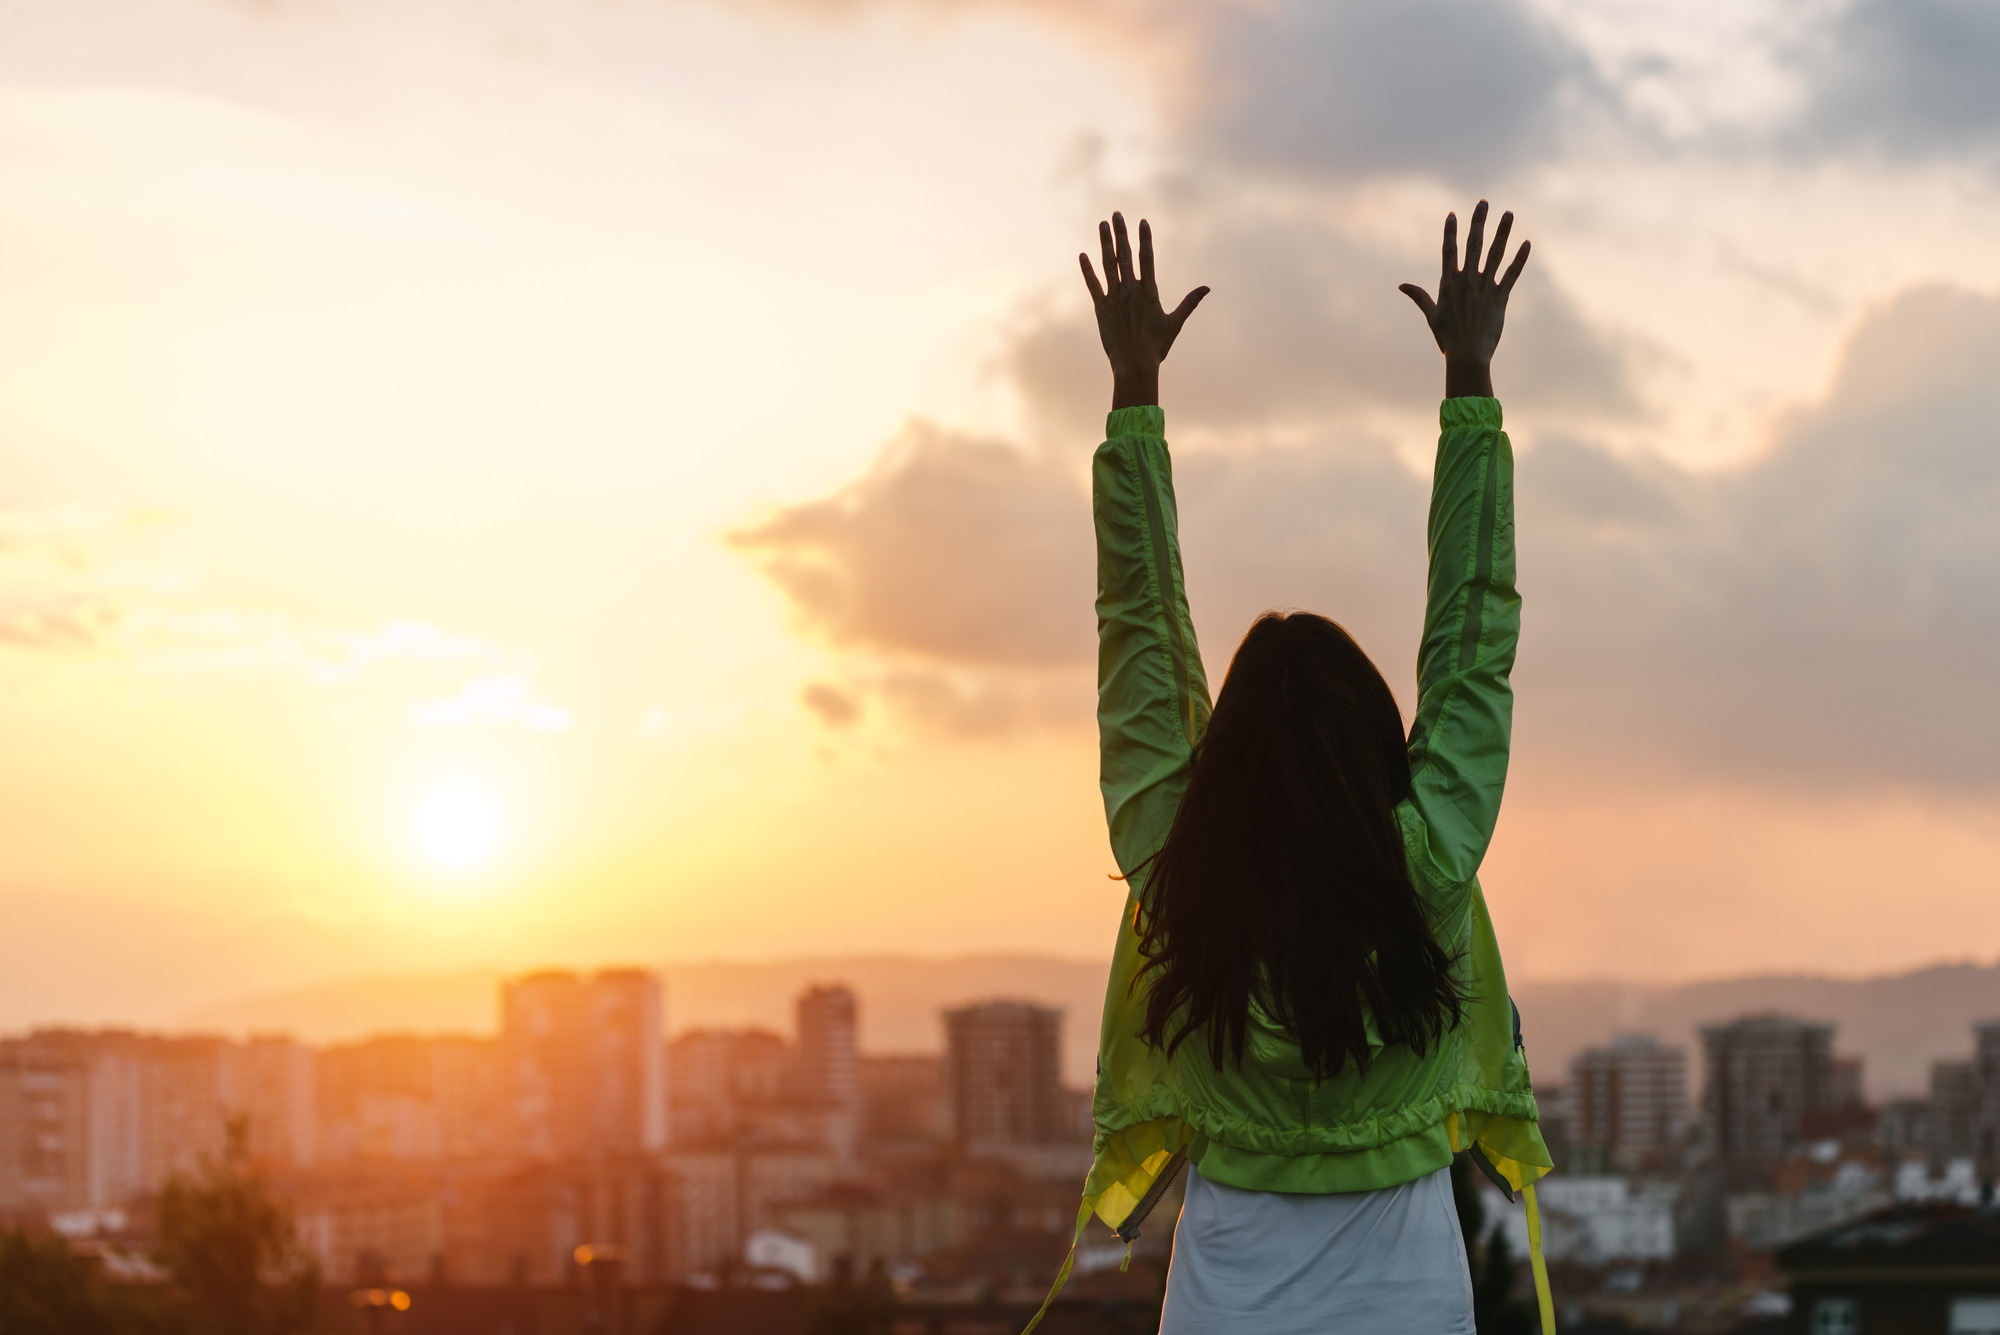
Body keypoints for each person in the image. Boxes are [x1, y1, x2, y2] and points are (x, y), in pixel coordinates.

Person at [1061, 204, 1551, 1334]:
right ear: (1376, 744)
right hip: (1410, 1296)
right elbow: (1473, 640)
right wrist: (1467, 383)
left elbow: (1135, 642)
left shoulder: (1178, 879)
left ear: (1219, 759)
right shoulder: (1425, 860)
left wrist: (1134, 401)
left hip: (1222, 1298)